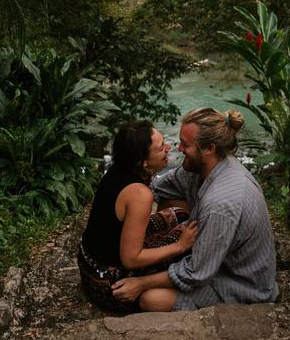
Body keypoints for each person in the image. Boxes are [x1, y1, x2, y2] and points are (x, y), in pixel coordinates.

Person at [111, 108, 279, 311]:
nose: (178, 148)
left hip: (239, 284)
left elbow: (196, 273)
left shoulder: (219, 205)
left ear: (209, 148)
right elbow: (158, 188)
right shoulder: (198, 169)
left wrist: (142, 283)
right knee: (171, 200)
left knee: (150, 298)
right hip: (215, 263)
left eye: (186, 145)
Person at [78, 119, 199, 312]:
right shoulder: (139, 194)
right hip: (109, 283)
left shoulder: (118, 170)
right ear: (143, 162)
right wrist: (179, 246)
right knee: (190, 239)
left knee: (179, 214)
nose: (169, 148)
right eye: (161, 148)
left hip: (89, 264)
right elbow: (131, 259)